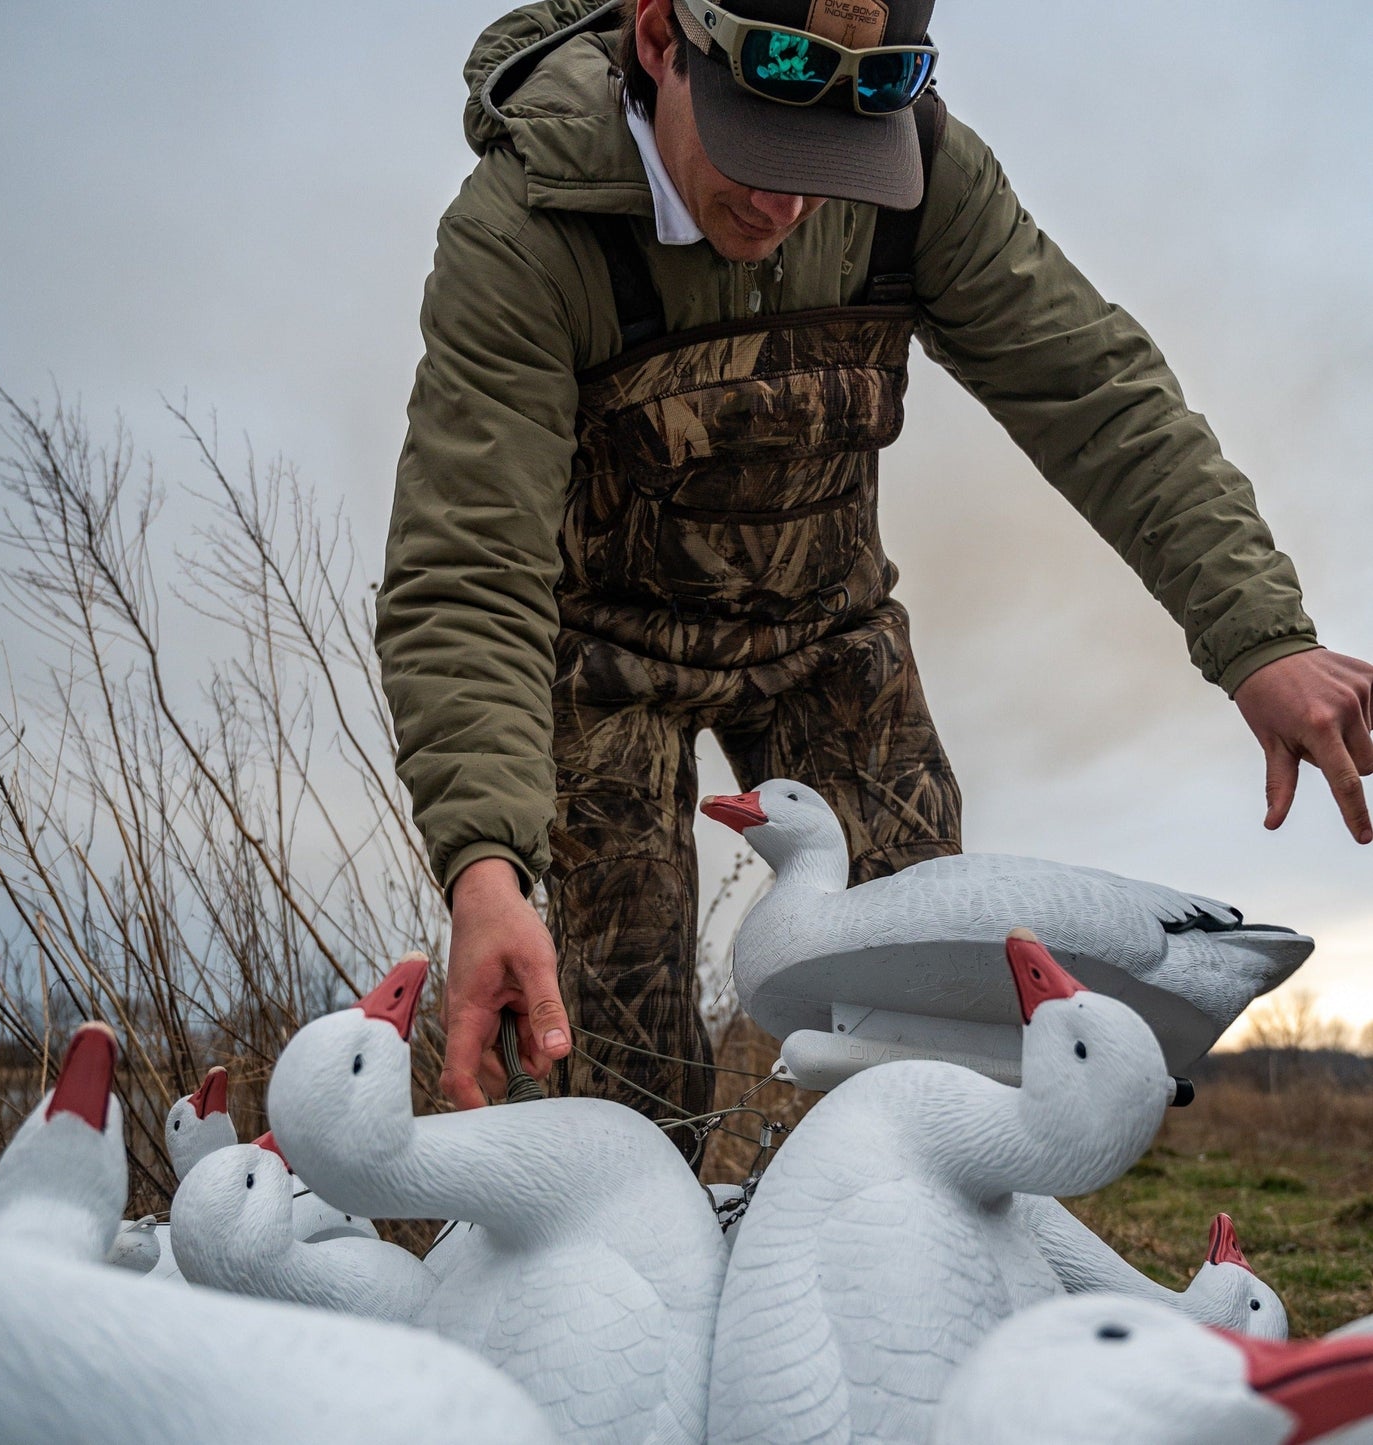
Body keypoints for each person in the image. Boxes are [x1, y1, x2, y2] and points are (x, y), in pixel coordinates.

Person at [375, 0, 1373, 1148]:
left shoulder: (920, 178)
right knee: (619, 1091)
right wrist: (483, 868)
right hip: (598, 667)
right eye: (760, 147)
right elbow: (467, 562)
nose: (786, 201)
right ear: (661, 42)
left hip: (830, 642)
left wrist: (1260, 634)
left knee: (933, 1045)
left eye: (829, 159)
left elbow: (1092, 394)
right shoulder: (525, 230)